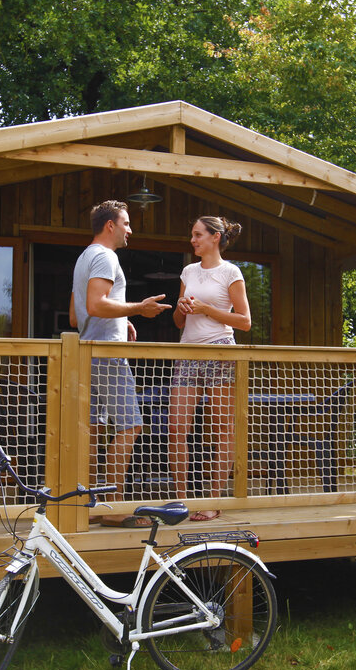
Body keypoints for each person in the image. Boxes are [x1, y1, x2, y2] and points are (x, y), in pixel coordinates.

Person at [70, 200, 170, 527]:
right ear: (110, 225)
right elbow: (96, 304)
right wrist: (137, 309)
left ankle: (88, 505)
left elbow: (76, 315)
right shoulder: (105, 256)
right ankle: (115, 508)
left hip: (87, 351)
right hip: (108, 354)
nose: (130, 230)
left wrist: (120, 320)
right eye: (126, 223)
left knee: (93, 430)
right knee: (131, 425)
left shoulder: (83, 258)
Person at [169, 216, 251, 522]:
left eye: (198, 235)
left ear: (215, 237)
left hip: (220, 352)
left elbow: (245, 321)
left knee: (220, 429)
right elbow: (179, 322)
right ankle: (180, 500)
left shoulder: (231, 272)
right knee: (177, 428)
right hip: (187, 353)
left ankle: (214, 501)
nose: (193, 240)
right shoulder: (188, 271)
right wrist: (180, 309)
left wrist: (208, 310)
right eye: (192, 235)